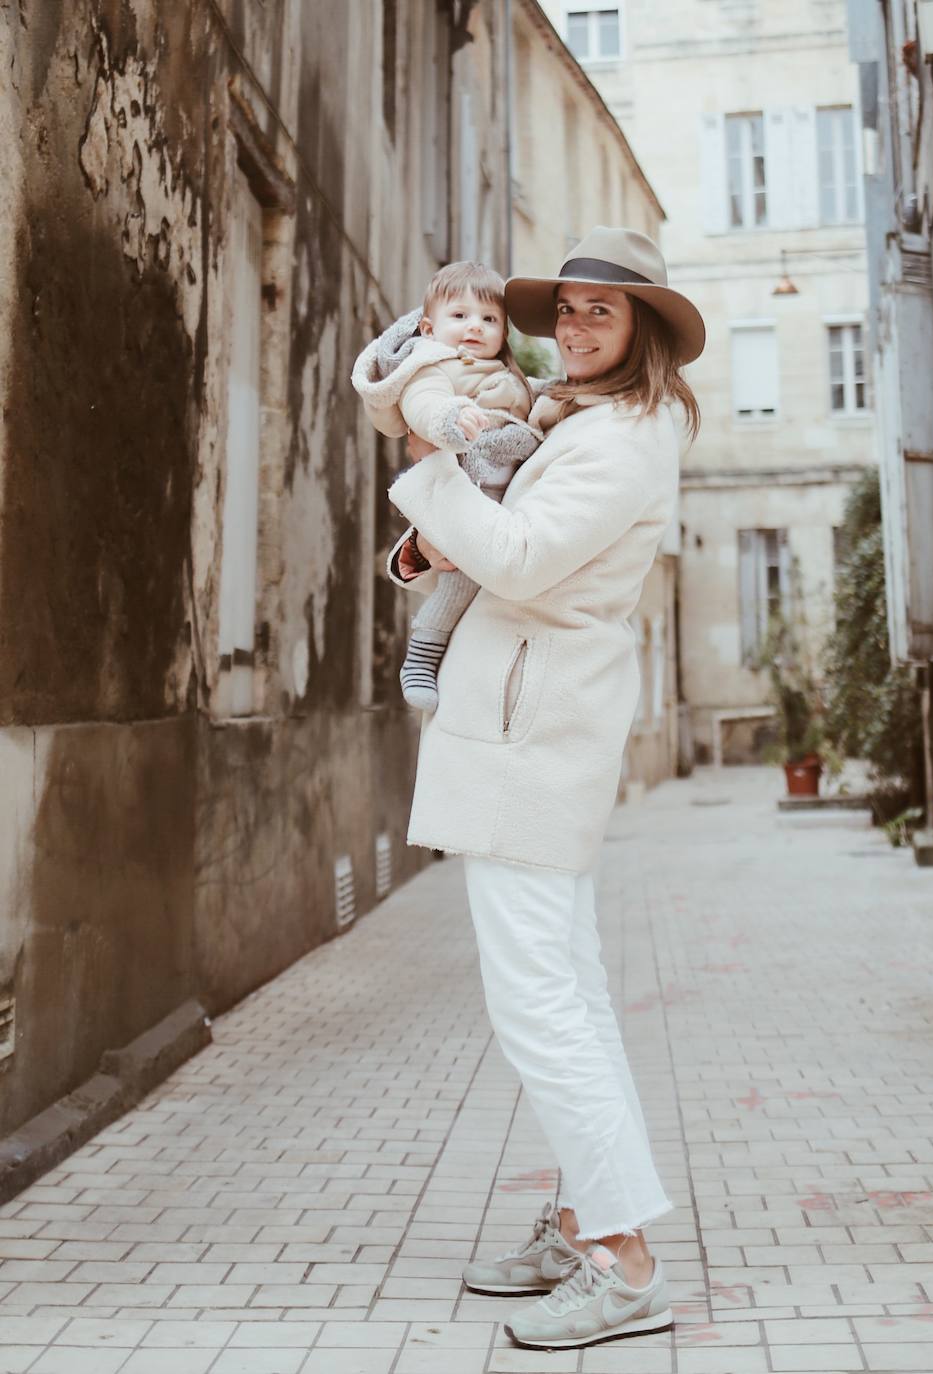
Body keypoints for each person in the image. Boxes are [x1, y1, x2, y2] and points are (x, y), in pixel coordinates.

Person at [385, 226, 704, 1352]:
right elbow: (493, 546)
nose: (572, 326)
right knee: (569, 993)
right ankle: (583, 1226)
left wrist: (426, 461)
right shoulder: (576, 419)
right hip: (528, 725)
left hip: (533, 735)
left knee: (540, 1003)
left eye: (598, 312)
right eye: (565, 309)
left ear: (643, 331)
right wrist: (426, 546)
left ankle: (624, 1264)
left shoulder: (624, 436)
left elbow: (519, 560)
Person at [351, 262, 540, 712]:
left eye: (489, 318)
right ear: (428, 328)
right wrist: (449, 420)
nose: (475, 326)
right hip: (464, 487)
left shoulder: (504, 374)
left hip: (497, 493)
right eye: (460, 316)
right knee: (460, 581)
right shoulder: (432, 365)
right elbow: (424, 404)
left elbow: (532, 407)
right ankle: (422, 652)